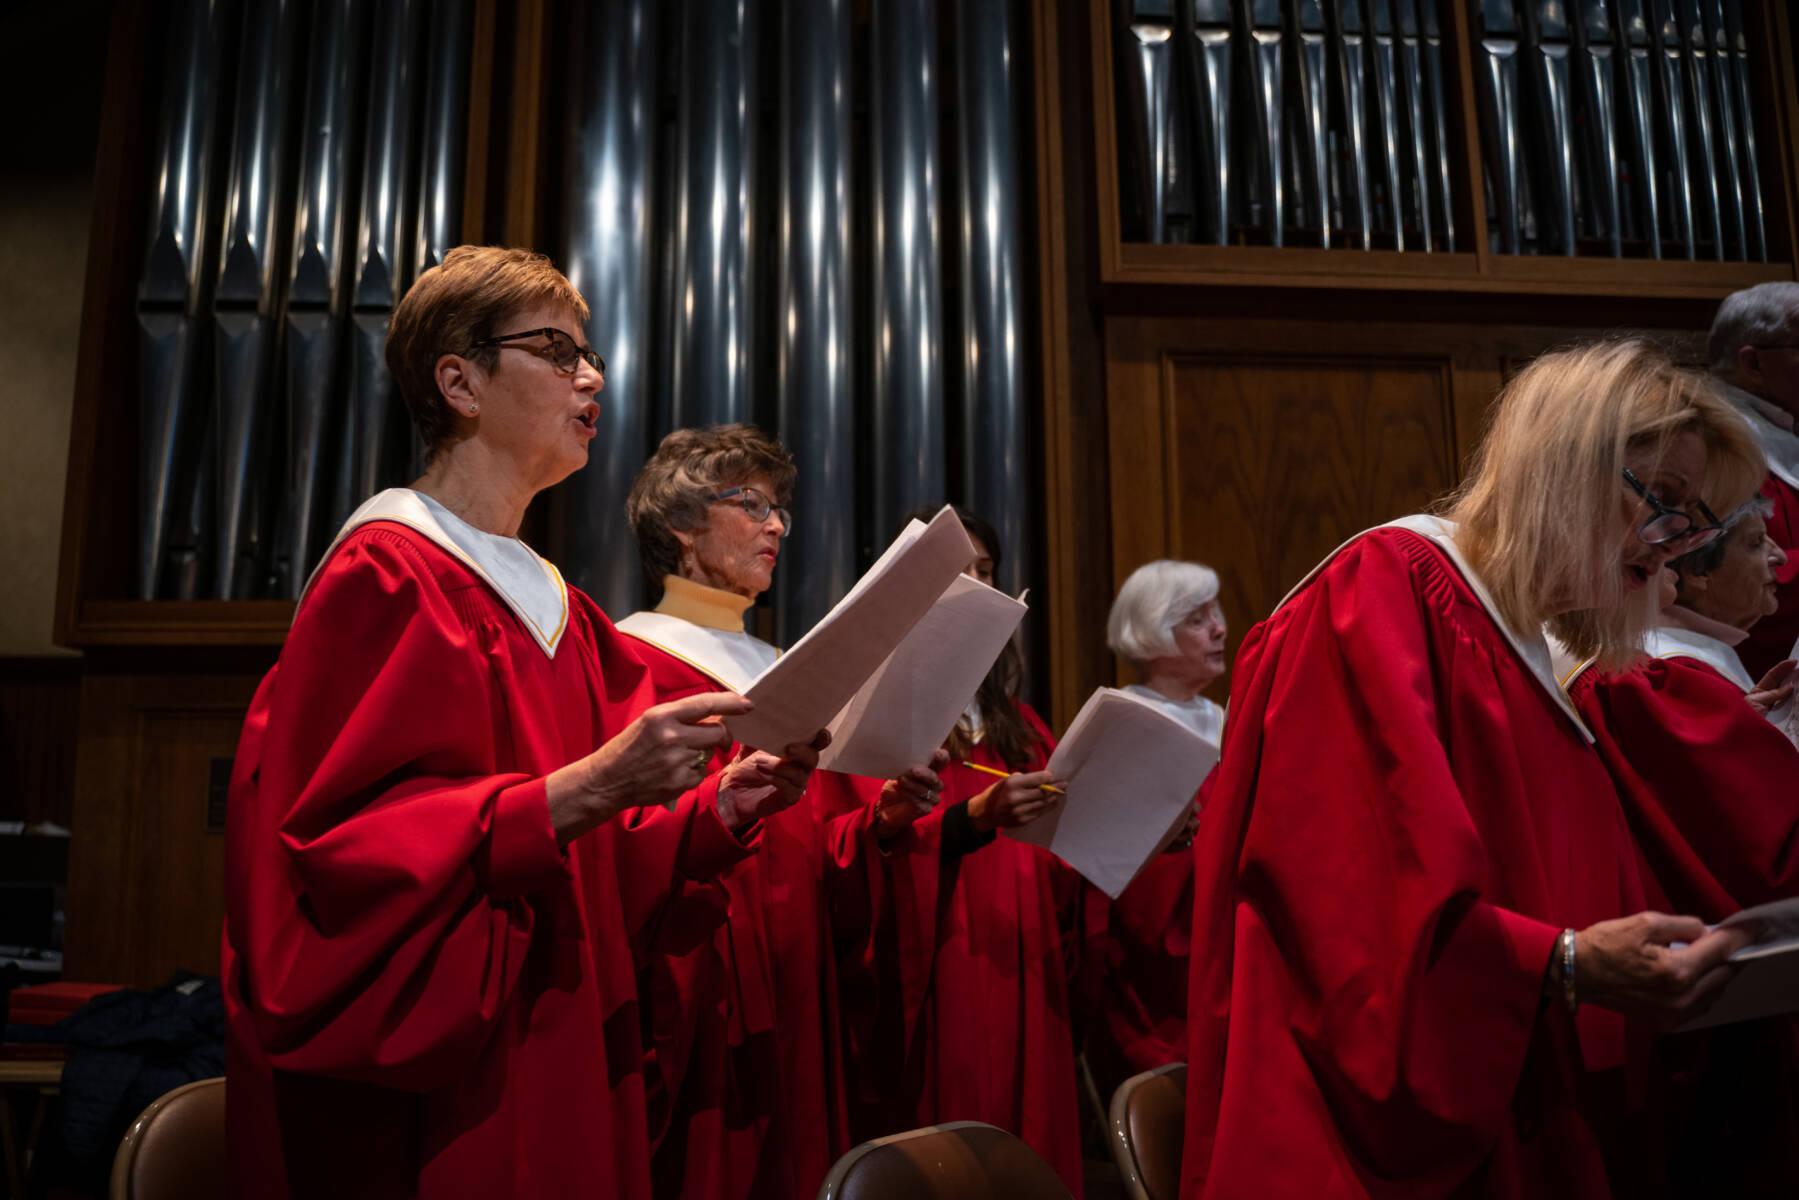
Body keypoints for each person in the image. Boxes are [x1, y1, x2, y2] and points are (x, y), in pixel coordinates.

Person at [222, 247, 822, 1199]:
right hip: (454, 1072)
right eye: (554, 350)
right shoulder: (387, 571)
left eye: (587, 354)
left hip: (564, 1018)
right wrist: (583, 788)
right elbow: (336, 853)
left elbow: (604, 859)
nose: (590, 377)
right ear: (458, 381)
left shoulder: (562, 609)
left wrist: (716, 813)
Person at [1179, 339, 1765, 1198]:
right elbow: (1349, 908)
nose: (1669, 548)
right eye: (1662, 504)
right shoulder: (1388, 588)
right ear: (1565, 467)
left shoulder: (1529, 646)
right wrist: (1561, 963)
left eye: (1689, 524)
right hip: (1365, 1145)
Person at [614, 425, 945, 1199]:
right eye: (751, 504)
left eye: (780, 511)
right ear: (680, 523)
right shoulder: (631, 657)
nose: (776, 526)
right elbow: (625, 845)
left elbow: (813, 849)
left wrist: (881, 822)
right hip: (708, 971)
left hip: (796, 969)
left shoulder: (781, 668)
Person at [854, 506, 1083, 1195]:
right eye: (959, 573)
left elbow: (1062, 866)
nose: (981, 589)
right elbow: (864, 846)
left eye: (987, 573)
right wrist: (970, 820)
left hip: (1024, 960)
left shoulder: (1019, 724)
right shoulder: (878, 708)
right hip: (941, 964)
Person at [1566, 500, 1799, 919]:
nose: (1673, 552)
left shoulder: (1652, 673)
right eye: (1663, 542)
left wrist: (1739, 728)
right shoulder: (1645, 679)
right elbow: (1762, 861)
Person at [1083, 559, 1227, 1100]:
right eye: (1197, 619)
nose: (1219, 630)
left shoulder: (1228, 718)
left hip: (1226, 945)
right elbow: (1101, 870)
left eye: (1217, 614)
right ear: (1152, 633)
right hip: (1157, 967)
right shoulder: (1124, 724)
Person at [1708, 281, 1799, 677]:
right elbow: (1712, 574)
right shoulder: (1711, 446)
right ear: (1754, 364)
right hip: (1751, 674)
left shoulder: (1788, 425)